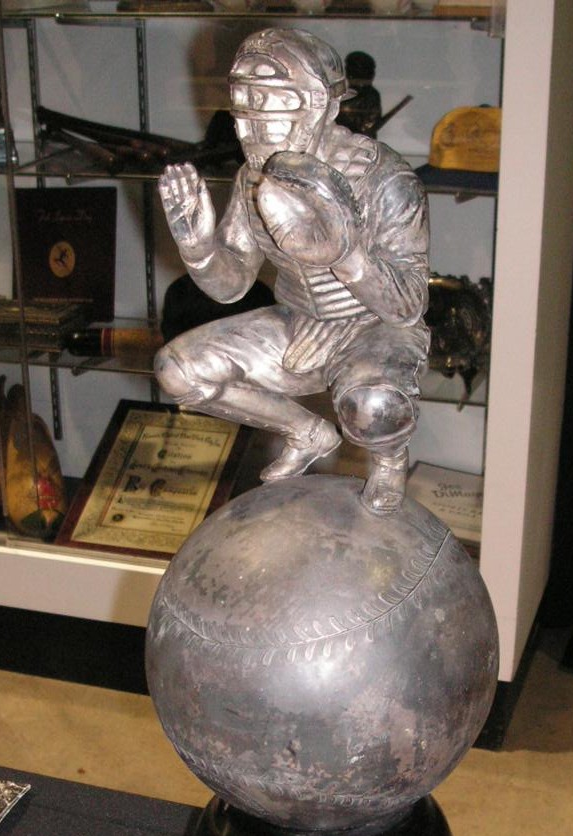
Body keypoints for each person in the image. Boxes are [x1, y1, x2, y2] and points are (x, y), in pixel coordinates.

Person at [154, 28, 429, 513]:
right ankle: (305, 431)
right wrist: (199, 250)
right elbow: (234, 284)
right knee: (177, 371)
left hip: (374, 327)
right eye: (243, 114)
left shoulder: (383, 179)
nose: (250, 132)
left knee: (372, 407)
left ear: (320, 106)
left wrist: (346, 255)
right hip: (297, 322)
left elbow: (407, 305)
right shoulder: (252, 177)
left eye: (268, 111)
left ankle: (389, 459)